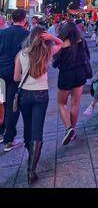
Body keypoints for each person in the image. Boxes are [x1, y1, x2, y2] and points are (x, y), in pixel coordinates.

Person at [14, 27, 63, 185]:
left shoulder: (21, 54)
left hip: (24, 95)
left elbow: (16, 78)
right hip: (41, 95)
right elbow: (61, 43)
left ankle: (31, 155)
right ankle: (31, 170)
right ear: (43, 37)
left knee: (27, 127)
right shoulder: (47, 51)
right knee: (38, 130)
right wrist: (51, 36)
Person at [53, 22, 91, 145]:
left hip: (66, 74)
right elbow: (88, 56)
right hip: (80, 74)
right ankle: (73, 131)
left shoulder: (61, 44)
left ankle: (69, 128)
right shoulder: (81, 41)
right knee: (75, 102)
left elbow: (55, 63)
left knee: (61, 103)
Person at [0, 9, 29, 152]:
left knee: (1, 103)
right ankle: (9, 139)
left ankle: (1, 132)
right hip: (15, 74)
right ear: (24, 19)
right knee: (12, 105)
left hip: (1, 73)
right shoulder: (26, 34)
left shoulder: (2, 33)